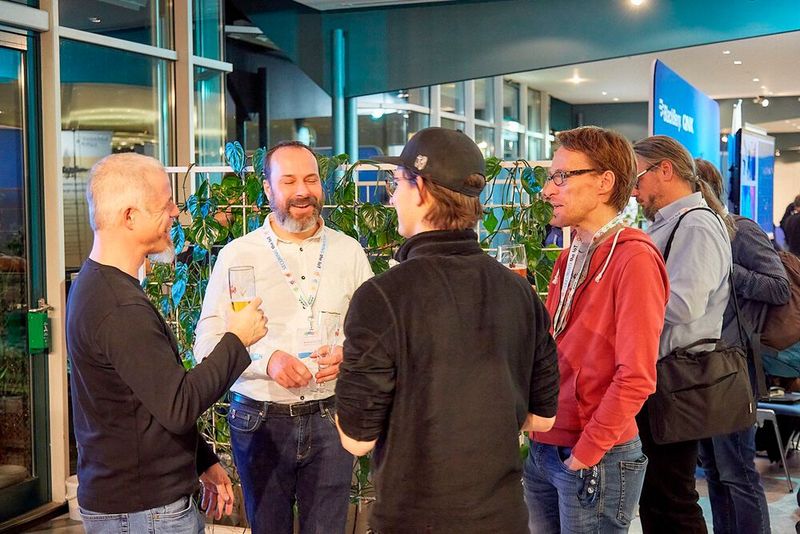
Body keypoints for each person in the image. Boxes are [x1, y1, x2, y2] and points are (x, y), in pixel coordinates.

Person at [334, 127, 560, 534]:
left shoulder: (382, 297)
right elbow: (542, 417)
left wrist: (354, 373)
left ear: (419, 188)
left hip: (415, 520)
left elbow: (356, 439)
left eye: (396, 183)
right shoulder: (520, 291)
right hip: (503, 519)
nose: (391, 196)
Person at [67, 153, 268, 533]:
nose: (176, 212)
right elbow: (178, 404)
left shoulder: (101, 286)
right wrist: (237, 339)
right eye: (165, 204)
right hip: (144, 512)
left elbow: (149, 402)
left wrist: (202, 460)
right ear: (129, 216)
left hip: (140, 504)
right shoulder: (119, 306)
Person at [194, 141, 373, 534]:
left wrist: (348, 354)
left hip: (331, 417)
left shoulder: (349, 252)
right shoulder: (239, 255)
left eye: (310, 179)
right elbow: (205, 342)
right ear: (268, 188)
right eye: (288, 180)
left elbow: (375, 335)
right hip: (258, 420)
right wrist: (265, 360)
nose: (302, 191)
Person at [523, 126, 669, 533]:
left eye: (561, 177)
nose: (548, 191)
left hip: (594, 453)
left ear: (605, 182)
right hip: (547, 445)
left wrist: (587, 451)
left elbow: (637, 375)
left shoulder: (634, 258)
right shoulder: (568, 256)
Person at [632, 136, 733, 534]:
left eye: (638, 177)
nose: (634, 190)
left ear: (666, 170)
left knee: (671, 500)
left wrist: (622, 307)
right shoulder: (672, 224)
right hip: (661, 379)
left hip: (676, 380)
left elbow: (683, 305)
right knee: (659, 498)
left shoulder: (697, 224)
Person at [694, 158, 788, 534]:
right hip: (700, 365)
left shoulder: (739, 231)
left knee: (737, 470)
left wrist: (726, 269)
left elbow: (778, 287)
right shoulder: (695, 234)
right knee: (715, 470)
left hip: (733, 366)